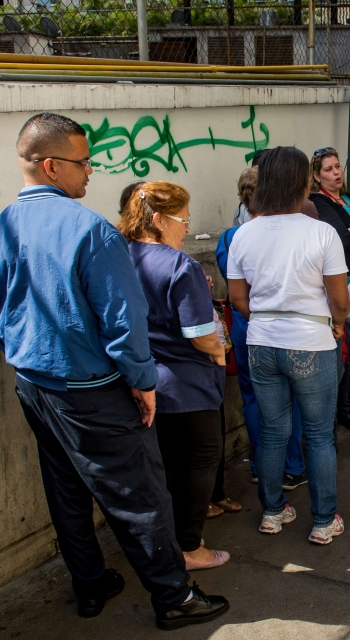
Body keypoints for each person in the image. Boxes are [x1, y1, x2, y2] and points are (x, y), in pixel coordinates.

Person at [0, 113, 227, 630]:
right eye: (82, 162)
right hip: (91, 388)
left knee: (65, 489)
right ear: (50, 166)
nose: (91, 170)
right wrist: (142, 382)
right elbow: (122, 318)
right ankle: (173, 597)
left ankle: (90, 584)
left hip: (33, 382)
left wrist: (22, 352)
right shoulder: (90, 230)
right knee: (140, 493)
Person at [226, 146, 349, 545]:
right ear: (302, 182)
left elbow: (238, 299)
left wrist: (264, 316)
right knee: (317, 434)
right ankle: (323, 520)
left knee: (274, 432)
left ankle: (273, 512)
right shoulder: (321, 232)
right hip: (312, 340)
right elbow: (340, 299)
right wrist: (338, 323)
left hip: (261, 341)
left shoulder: (244, 233)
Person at [119, 180, 230, 571]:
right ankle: (188, 546)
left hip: (142, 378)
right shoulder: (180, 265)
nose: (186, 227)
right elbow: (199, 334)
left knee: (165, 464)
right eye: (183, 220)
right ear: (160, 220)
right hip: (186, 384)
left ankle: (167, 540)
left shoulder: (121, 253)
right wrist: (219, 353)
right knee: (203, 457)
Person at [215, 166, 309, 494]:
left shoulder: (230, 238)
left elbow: (235, 286)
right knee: (293, 397)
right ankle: (292, 466)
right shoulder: (287, 233)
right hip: (284, 328)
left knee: (253, 399)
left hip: (245, 328)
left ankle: (259, 465)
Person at [309, 146, 350, 435]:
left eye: (337, 166)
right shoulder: (318, 202)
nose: (336, 173)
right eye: (328, 169)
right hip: (345, 283)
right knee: (346, 348)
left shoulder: (348, 197)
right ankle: (345, 410)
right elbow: (342, 240)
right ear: (316, 175)